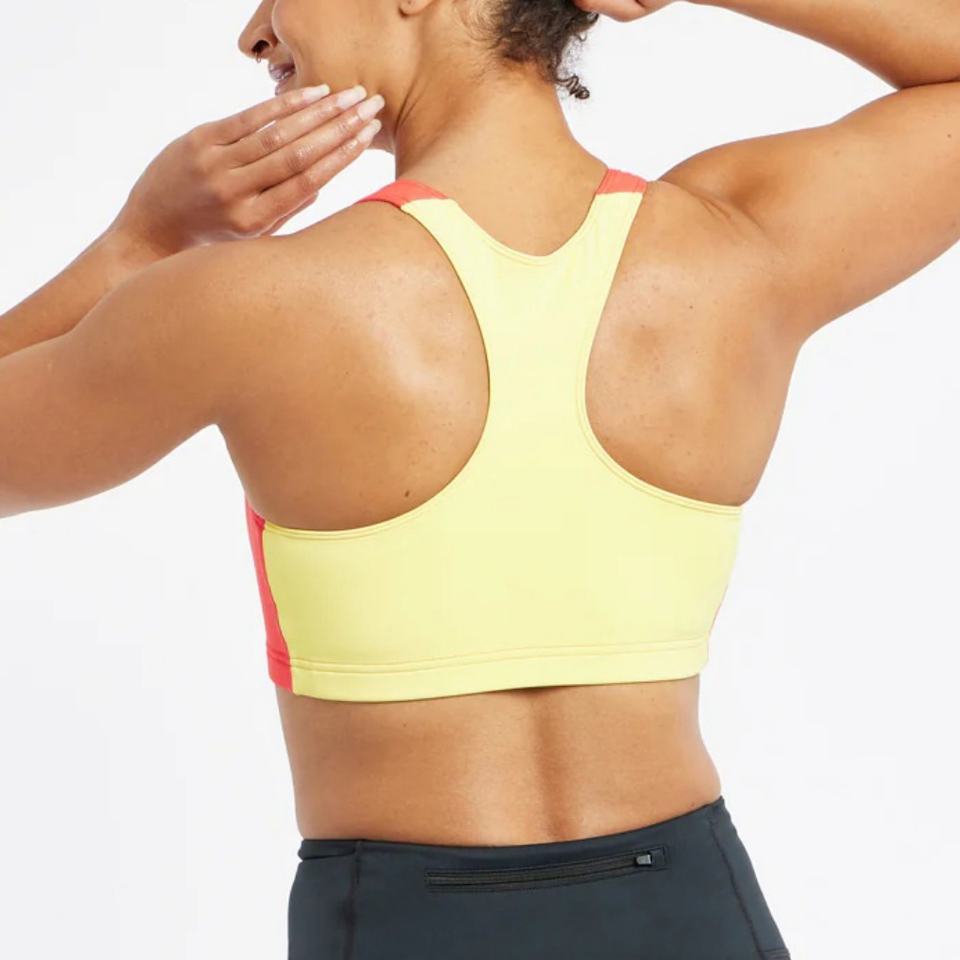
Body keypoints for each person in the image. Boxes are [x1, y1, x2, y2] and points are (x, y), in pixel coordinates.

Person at [2, 0, 957, 957]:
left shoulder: (250, 301)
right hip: (694, 910)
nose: (254, 31)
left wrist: (139, 243)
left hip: (403, 921)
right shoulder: (740, 246)